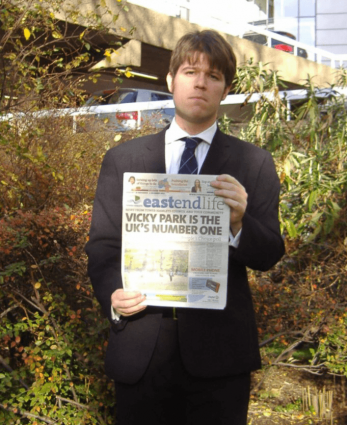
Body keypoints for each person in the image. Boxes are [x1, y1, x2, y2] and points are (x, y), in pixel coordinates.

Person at [85, 30, 284, 425]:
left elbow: (269, 254)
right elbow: (103, 245)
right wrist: (113, 293)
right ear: (171, 79)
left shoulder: (254, 163)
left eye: (213, 76)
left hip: (220, 355)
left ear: (225, 88)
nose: (200, 83)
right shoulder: (123, 159)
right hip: (142, 344)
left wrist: (240, 223)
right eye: (190, 71)